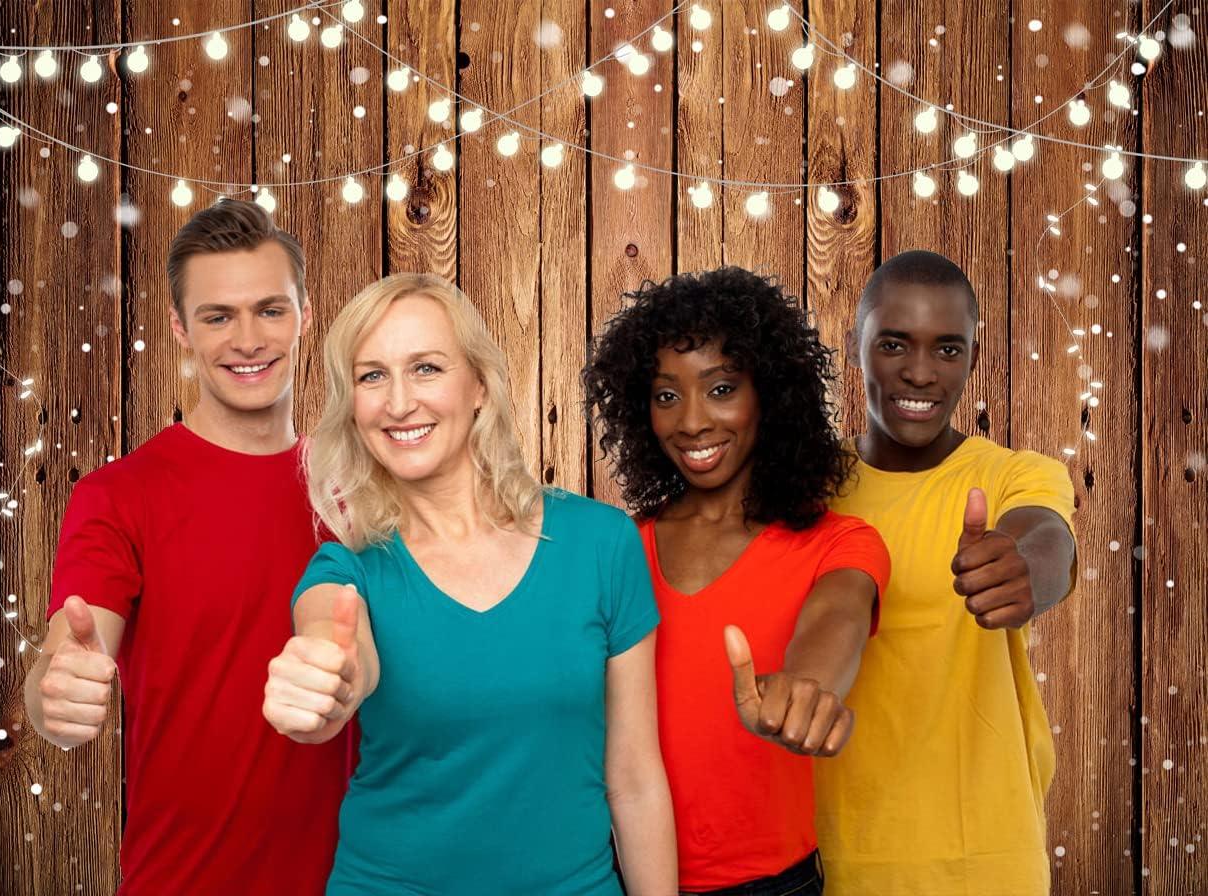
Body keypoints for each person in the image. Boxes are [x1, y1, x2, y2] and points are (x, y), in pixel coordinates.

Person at [260, 272, 676, 896]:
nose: (399, 402)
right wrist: (326, 681)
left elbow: (636, 776)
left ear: (479, 385)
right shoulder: (347, 570)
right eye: (372, 376)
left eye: (425, 367)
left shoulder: (601, 544)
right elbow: (335, 647)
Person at [24, 199, 353, 894]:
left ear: (304, 316)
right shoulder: (118, 496)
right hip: (185, 879)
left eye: (270, 310)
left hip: (359, 879)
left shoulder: (358, 491)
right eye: (217, 316)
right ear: (179, 328)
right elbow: (69, 655)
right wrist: (52, 696)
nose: (248, 339)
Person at [583, 267, 890, 896]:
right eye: (667, 395)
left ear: (770, 395)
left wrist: (806, 687)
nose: (692, 421)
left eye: (721, 388)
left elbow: (839, 618)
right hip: (618, 877)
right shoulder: (618, 547)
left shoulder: (838, 542)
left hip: (772, 886)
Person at [813, 249, 1078, 895]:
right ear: (855, 346)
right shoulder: (806, 488)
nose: (922, 373)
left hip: (989, 860)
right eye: (896, 344)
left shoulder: (1016, 473)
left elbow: (1048, 540)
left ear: (973, 361)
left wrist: (1022, 567)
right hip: (832, 858)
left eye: (949, 350)